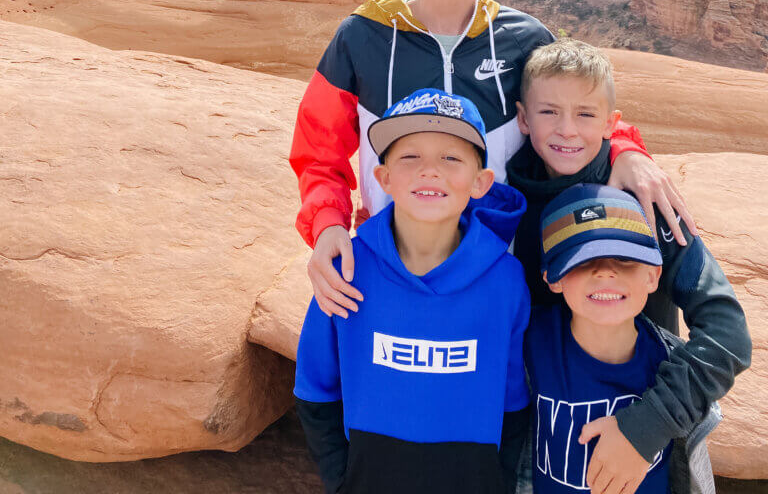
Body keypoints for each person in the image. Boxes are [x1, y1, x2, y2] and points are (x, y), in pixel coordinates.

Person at [290, 0, 694, 319]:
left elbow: (576, 112)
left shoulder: (524, 38)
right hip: (395, 265)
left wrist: (626, 151)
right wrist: (327, 226)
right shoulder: (362, 38)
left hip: (509, 269)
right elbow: (318, 152)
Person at [508, 41, 751, 493]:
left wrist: (647, 427)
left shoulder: (646, 203)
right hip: (542, 439)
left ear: (611, 123)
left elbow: (727, 334)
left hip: (643, 422)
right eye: (548, 113)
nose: (567, 130)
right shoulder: (506, 203)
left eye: (585, 114)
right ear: (523, 118)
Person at [295, 88, 530, 494]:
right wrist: (341, 479)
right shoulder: (345, 271)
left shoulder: (505, 282)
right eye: (409, 156)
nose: (429, 170)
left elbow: (512, 399)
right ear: (383, 177)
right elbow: (315, 388)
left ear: (480, 182)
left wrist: (499, 479)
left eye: (450, 157)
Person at [526, 184, 729, 494]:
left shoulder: (677, 368)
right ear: (553, 277)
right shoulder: (529, 342)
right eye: (583, 260)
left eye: (625, 259)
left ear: (653, 275)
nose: (606, 272)